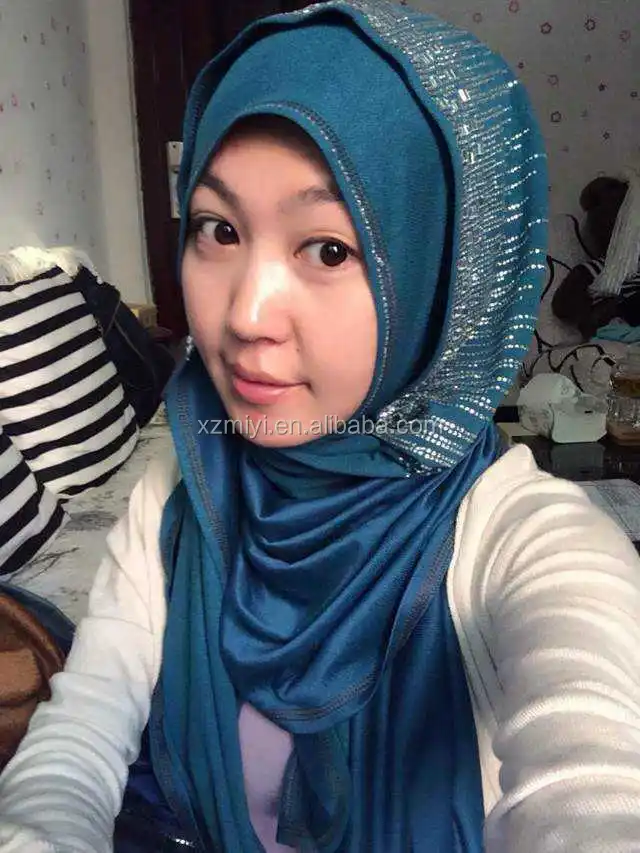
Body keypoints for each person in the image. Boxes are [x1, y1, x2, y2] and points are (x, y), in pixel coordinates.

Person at [2, 1, 640, 851]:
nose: (245, 316)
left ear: (437, 277)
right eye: (218, 230)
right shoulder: (179, 489)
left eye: (330, 249)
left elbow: (597, 777)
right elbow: (80, 731)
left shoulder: (525, 538)